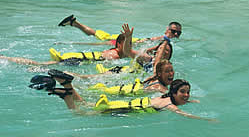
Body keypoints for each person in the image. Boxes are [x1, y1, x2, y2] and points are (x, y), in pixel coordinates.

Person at [30, 70, 214, 121]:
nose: (186, 95)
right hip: (123, 110)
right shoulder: (169, 105)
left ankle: (68, 85)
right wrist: (205, 120)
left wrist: (191, 100)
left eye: (188, 92)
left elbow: (182, 103)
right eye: (183, 92)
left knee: (85, 104)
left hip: (120, 104)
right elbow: (183, 114)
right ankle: (65, 95)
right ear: (173, 93)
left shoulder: (165, 97)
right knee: (80, 113)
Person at [0, 33, 127, 66]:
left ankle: (6, 58)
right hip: (75, 59)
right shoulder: (114, 55)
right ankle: (5, 58)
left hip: (76, 55)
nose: (130, 46)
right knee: (40, 64)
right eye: (128, 43)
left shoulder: (115, 51)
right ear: (119, 44)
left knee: (43, 64)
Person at [58, 15, 182, 45]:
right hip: (127, 41)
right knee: (98, 41)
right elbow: (148, 40)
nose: (175, 34)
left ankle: (74, 23)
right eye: (173, 31)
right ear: (167, 29)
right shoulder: (164, 38)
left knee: (97, 36)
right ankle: (73, 27)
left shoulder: (167, 39)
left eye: (178, 33)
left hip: (127, 39)